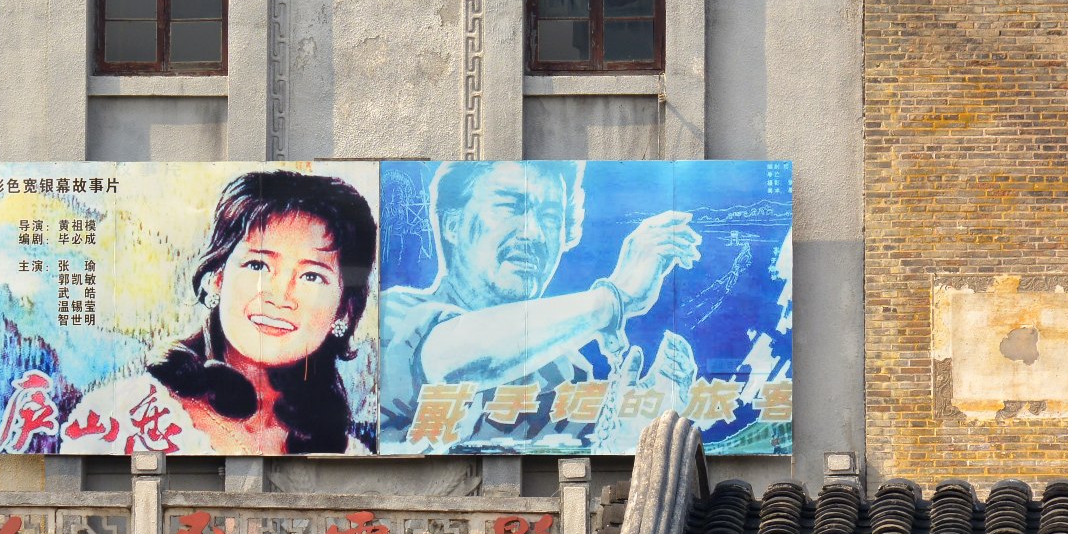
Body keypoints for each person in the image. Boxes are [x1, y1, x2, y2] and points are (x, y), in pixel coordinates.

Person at [381, 161, 701, 451]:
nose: (533, 233)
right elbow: (450, 360)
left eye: (550, 217)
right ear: (452, 225)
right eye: (510, 206)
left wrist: (630, 432)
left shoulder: (566, 370)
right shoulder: (391, 315)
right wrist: (610, 300)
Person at [60, 169, 378, 455]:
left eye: (311, 276)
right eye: (258, 265)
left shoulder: (350, 454)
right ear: (217, 278)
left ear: (343, 309)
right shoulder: (123, 414)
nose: (280, 296)